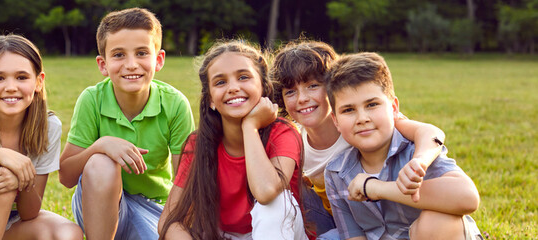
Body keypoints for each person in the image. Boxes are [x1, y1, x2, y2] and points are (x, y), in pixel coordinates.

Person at [271, 40, 448, 238]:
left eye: (313, 86)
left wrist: (420, 161)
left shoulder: (362, 126)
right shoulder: (295, 139)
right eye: (291, 92)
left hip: (375, 212)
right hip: (335, 220)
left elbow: (431, 133)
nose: (302, 98)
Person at [59, 7, 196, 239]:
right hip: (98, 203)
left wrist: (173, 227)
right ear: (103, 64)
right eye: (119, 55)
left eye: (142, 53)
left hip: (154, 207)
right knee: (101, 162)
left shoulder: (175, 105)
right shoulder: (92, 100)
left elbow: (187, 181)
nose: (131, 64)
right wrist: (100, 146)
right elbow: (66, 176)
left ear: (159, 59)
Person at [159, 40, 308, 240]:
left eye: (243, 77)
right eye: (220, 82)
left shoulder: (282, 132)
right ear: (210, 99)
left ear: (264, 88)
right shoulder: (198, 144)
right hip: (223, 236)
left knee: (275, 202)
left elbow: (265, 192)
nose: (233, 88)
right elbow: (169, 220)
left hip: (280, 232)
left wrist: (250, 127)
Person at [324, 52, 482, 240]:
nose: (362, 119)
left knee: (435, 222)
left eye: (372, 104)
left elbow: (468, 197)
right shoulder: (336, 173)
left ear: (393, 108)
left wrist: (377, 188)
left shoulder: (416, 152)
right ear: (335, 121)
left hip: (436, 234)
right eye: (348, 110)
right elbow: (353, 236)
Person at [0, 34, 83, 240]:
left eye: (21, 77)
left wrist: (20, 180)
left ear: (38, 82)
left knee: (67, 233)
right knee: (0, 186)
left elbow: (30, 212)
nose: (11, 87)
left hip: (13, 221)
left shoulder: (48, 126)